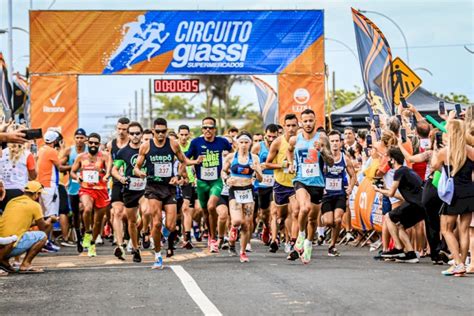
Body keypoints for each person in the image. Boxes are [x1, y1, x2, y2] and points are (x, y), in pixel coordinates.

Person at [134, 118, 197, 269]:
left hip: (169, 188)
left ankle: (160, 235)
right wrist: (140, 173)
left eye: (164, 131)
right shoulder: (146, 146)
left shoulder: (173, 144)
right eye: (158, 132)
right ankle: (157, 256)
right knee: (155, 223)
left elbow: (183, 161)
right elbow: (137, 167)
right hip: (153, 188)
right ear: (153, 131)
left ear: (166, 131)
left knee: (171, 225)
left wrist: (179, 176)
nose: (161, 134)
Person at [287, 109, 334, 264]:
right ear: (301, 122)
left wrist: (322, 151)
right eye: (305, 121)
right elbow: (289, 150)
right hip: (300, 180)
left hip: (317, 183)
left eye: (311, 121)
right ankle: (300, 235)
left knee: (313, 219)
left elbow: (331, 162)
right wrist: (292, 163)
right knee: (304, 208)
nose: (308, 124)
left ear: (315, 121)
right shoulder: (295, 139)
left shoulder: (322, 138)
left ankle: (308, 243)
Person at [431, 118, 474, 276]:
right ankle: (461, 263)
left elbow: (433, 167)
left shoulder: (444, 152)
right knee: (464, 230)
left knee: (446, 229)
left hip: (453, 194)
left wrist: (435, 149)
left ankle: (458, 262)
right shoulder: (470, 150)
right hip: (469, 191)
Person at [185, 117, 232, 253]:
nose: (207, 130)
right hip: (201, 183)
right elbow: (185, 160)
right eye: (205, 127)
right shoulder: (196, 143)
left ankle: (215, 238)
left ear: (214, 130)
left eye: (210, 128)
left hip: (216, 181)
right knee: (205, 211)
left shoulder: (222, 142)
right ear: (202, 129)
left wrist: (228, 164)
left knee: (212, 206)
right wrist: (195, 162)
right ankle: (211, 236)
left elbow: (233, 152)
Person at [374, 147, 424, 263]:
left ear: (393, 160)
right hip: (420, 205)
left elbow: (391, 193)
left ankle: (398, 248)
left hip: (415, 204)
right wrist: (386, 189)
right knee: (400, 225)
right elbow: (400, 196)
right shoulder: (407, 171)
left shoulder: (399, 171)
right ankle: (410, 253)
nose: (388, 161)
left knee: (388, 217)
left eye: (388, 159)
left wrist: (379, 190)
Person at [222, 131, 263, 263]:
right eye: (241, 142)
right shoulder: (230, 157)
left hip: (248, 191)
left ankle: (243, 252)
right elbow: (223, 171)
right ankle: (233, 230)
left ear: (250, 143)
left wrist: (256, 169)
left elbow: (260, 179)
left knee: (247, 224)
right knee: (237, 221)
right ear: (237, 143)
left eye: (246, 142)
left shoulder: (255, 158)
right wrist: (227, 179)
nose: (244, 145)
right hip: (235, 190)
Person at [71, 133, 111, 257]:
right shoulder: (81, 157)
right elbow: (72, 171)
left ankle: (92, 244)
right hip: (86, 189)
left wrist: (106, 174)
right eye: (91, 142)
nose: (93, 145)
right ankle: (87, 232)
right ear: (87, 143)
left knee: (98, 221)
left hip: (101, 190)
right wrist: (77, 177)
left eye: (96, 143)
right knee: (87, 209)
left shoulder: (105, 156)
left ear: (99, 144)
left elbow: (109, 169)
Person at [111, 122, 145, 263]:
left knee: (147, 211)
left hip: (145, 188)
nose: (135, 136)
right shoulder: (123, 152)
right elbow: (114, 170)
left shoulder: (147, 149)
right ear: (129, 135)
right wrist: (120, 178)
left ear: (142, 134)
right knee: (131, 221)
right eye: (132, 133)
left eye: (137, 133)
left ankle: (145, 232)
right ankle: (135, 248)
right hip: (130, 189)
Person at [0, 181, 51, 274]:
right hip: (12, 245)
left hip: (2, 242)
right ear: (36, 194)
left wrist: (33, 223)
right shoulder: (35, 205)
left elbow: (16, 223)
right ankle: (25, 264)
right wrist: (51, 220)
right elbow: (43, 227)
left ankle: (4, 260)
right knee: (42, 236)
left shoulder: (12, 201)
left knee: (20, 234)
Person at [265, 114, 299, 254]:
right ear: (284, 126)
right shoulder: (278, 142)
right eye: (288, 125)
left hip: (297, 183)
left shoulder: (302, 141)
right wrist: (282, 165)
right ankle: (278, 233)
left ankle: (292, 241)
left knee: (295, 211)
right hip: (280, 183)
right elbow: (267, 164)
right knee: (281, 216)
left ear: (298, 126)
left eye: (294, 125)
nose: (291, 128)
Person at [321, 130, 356, 257]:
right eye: (332, 141)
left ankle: (332, 246)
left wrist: (350, 187)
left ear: (341, 143)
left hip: (340, 194)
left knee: (338, 219)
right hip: (326, 195)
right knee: (329, 222)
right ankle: (322, 220)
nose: (335, 144)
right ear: (328, 143)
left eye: (337, 141)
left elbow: (353, 176)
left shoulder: (345, 158)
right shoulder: (323, 158)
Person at [60, 128, 88, 252]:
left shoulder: (89, 151)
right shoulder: (69, 151)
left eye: (82, 138)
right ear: (74, 138)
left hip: (87, 186)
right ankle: (79, 235)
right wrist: (74, 166)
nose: (79, 140)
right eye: (77, 137)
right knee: (76, 213)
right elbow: (60, 166)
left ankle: (87, 233)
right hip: (73, 187)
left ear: (85, 139)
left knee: (86, 210)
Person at [37, 130, 64, 251]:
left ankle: (43, 241)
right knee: (51, 216)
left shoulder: (41, 149)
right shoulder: (51, 151)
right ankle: (45, 242)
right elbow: (60, 166)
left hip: (42, 185)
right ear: (54, 141)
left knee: (44, 216)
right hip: (50, 185)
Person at [251, 124, 279, 245]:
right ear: (265, 135)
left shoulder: (280, 145)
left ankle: (274, 239)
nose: (271, 139)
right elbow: (249, 161)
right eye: (269, 136)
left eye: (274, 136)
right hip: (261, 184)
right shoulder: (258, 147)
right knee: (264, 213)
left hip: (275, 182)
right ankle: (266, 228)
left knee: (274, 211)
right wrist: (257, 167)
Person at [107, 118, 130, 258]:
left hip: (132, 182)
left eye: (124, 129)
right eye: (119, 129)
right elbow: (110, 160)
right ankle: (120, 245)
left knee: (130, 216)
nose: (121, 132)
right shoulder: (112, 144)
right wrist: (108, 174)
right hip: (116, 181)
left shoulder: (133, 144)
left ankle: (131, 236)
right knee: (117, 213)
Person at [177, 125, 200, 250]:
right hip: (176, 181)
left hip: (190, 182)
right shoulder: (174, 146)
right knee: (179, 212)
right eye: (182, 134)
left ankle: (187, 236)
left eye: (186, 134)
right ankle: (183, 235)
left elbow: (196, 161)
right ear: (178, 134)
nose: (184, 137)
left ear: (189, 135)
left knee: (190, 209)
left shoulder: (193, 145)